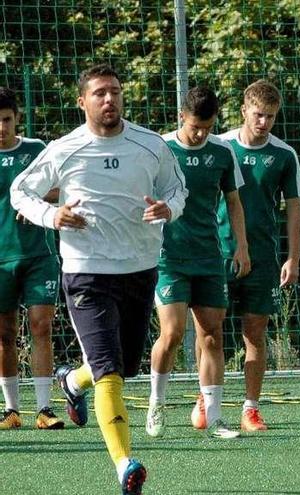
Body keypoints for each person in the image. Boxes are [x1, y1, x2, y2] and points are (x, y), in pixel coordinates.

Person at [10, 64, 187, 495]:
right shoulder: (64, 148)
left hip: (140, 270)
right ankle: (125, 464)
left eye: (115, 92)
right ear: (82, 101)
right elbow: (21, 190)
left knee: (121, 367)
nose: (109, 100)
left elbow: (178, 190)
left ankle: (72, 382)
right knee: (110, 373)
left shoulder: (150, 145)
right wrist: (53, 215)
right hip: (86, 272)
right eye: (100, 93)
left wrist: (168, 209)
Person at [145, 86, 248, 439]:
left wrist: (241, 247)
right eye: (194, 127)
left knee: (213, 337)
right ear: (181, 118)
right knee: (171, 333)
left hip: (209, 256)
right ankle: (156, 405)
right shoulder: (160, 148)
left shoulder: (223, 151)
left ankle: (216, 417)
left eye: (207, 126)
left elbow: (234, 201)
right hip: (168, 258)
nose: (201, 133)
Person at [210, 79, 300, 432]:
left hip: (263, 258)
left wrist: (292, 258)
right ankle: (209, 397)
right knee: (211, 332)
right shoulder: (221, 147)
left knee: (255, 333)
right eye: (258, 115)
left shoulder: (284, 154)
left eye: (271, 117)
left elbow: (294, 209)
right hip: (218, 253)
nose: (263, 122)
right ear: (244, 111)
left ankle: (250, 408)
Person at [0, 87, 64, 430]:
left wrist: (36, 200)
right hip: (1, 258)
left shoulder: (36, 150)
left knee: (41, 326)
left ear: (16, 119)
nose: (1, 127)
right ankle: (11, 410)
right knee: (4, 334)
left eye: (6, 120)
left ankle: (44, 408)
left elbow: (61, 185)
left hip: (39, 254)